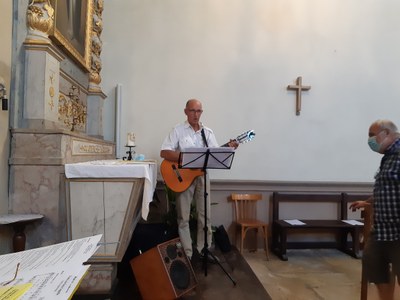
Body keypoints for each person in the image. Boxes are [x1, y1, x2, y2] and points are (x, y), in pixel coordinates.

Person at [160, 99, 238, 262]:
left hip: (202, 176)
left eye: (199, 111)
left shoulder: (207, 132)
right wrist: (187, 158)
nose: (196, 114)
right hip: (182, 178)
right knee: (183, 217)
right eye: (192, 111)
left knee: (205, 216)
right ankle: (188, 254)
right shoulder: (178, 130)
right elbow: (165, 152)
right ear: (186, 111)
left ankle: (204, 250)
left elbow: (215, 154)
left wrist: (229, 148)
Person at [350, 119, 400, 300]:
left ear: (386, 133)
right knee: (374, 267)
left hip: (398, 231)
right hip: (380, 231)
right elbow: (387, 189)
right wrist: (367, 202)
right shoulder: (388, 158)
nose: (370, 140)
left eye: (372, 135)